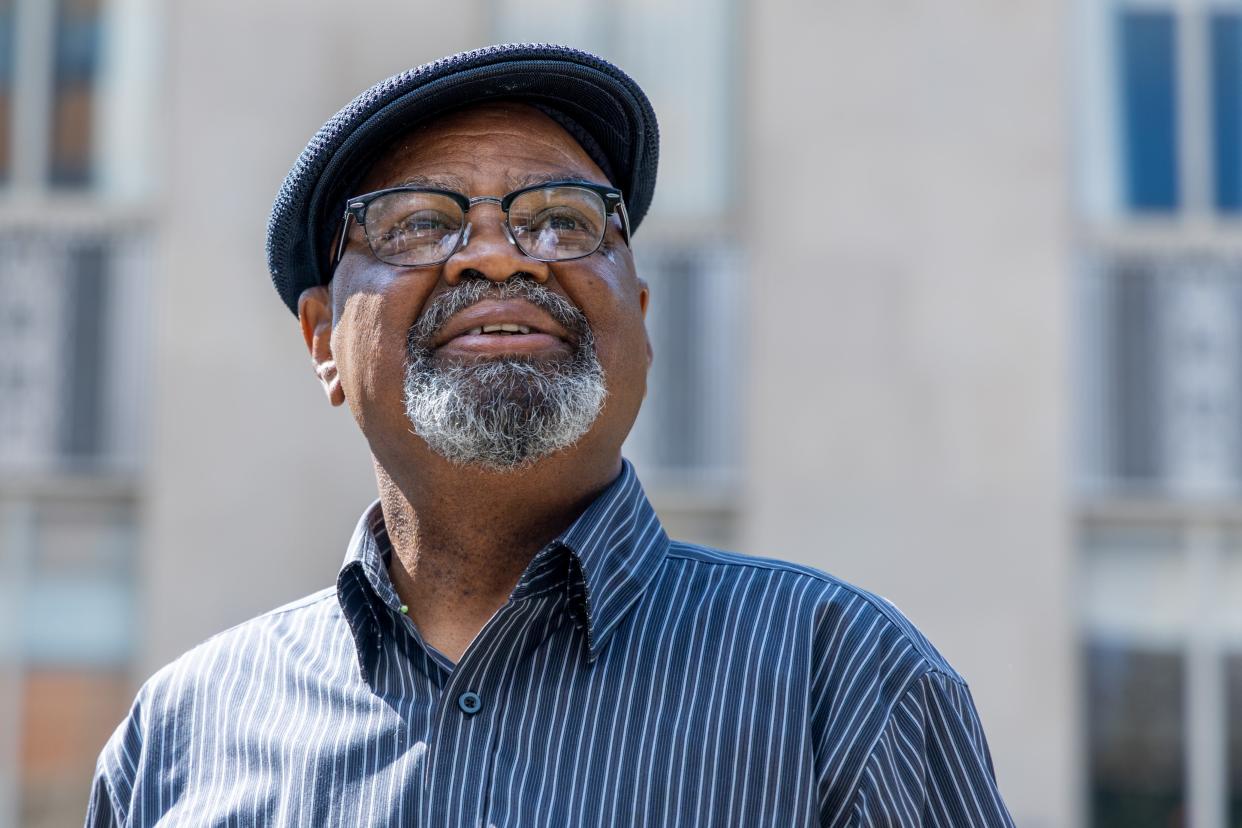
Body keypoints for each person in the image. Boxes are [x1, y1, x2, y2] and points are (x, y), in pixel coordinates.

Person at [86, 44, 1015, 827]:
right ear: (324, 341)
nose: (495, 253)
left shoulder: (840, 681)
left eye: (562, 220)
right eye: (417, 222)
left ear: (639, 321)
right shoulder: (179, 738)